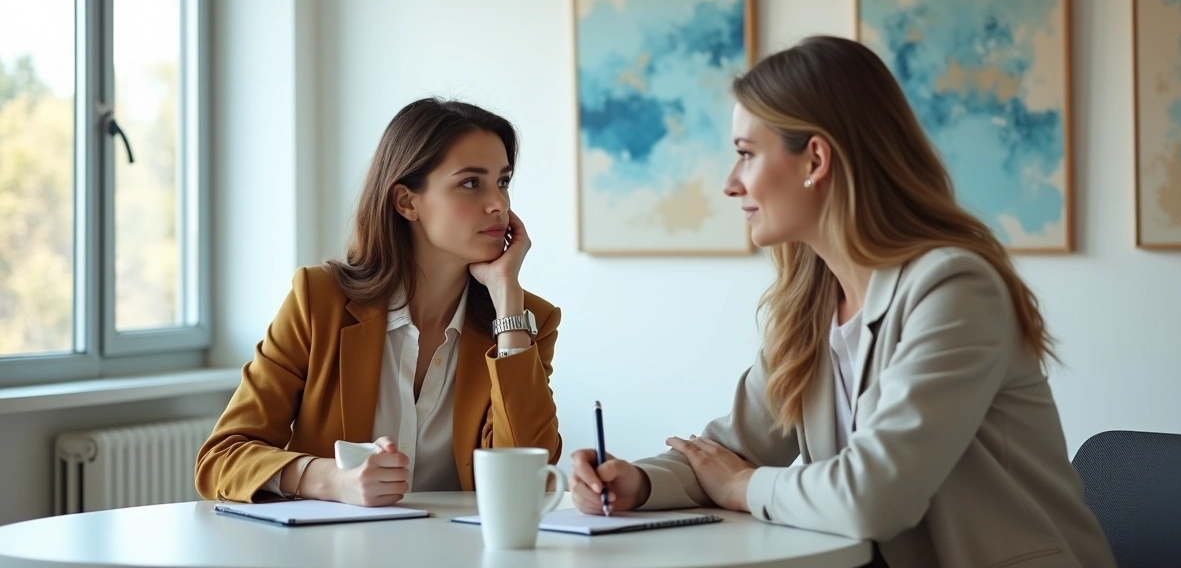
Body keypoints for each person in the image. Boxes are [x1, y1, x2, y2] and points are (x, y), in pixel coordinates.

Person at [569, 36, 1116, 568]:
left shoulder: (954, 288)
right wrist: (634, 483)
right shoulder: (812, 302)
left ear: (814, 160)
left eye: (745, 155)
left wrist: (740, 486)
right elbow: (735, 449)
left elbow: (874, 496)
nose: (730, 184)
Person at [197, 98, 561, 506]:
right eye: (472, 183)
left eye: (503, 181)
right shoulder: (318, 303)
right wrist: (333, 480)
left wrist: (507, 300)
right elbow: (221, 459)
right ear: (407, 202)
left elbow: (529, 482)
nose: (500, 204)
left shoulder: (528, 323)